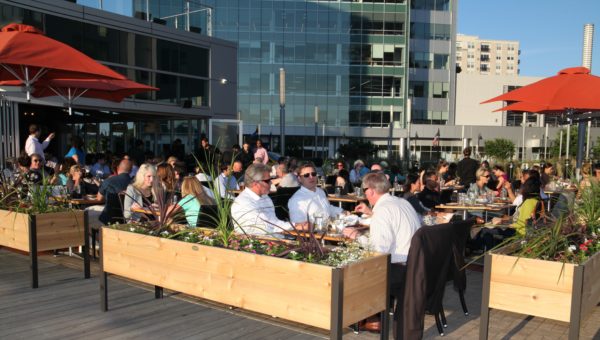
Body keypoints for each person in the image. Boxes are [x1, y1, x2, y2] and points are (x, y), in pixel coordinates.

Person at [344, 172, 421, 264]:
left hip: (398, 266)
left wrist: (357, 236)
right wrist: (371, 213)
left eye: (364, 191)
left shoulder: (382, 210)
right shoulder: (403, 202)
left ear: (370, 191)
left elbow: (378, 250)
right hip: (416, 262)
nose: (365, 195)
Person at [231, 163, 294, 235]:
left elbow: (274, 222)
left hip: (273, 238)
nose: (271, 183)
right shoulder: (243, 203)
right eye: (267, 181)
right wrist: (295, 226)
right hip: (258, 242)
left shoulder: (265, 197)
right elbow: (268, 227)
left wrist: (295, 226)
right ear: (256, 183)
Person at [94, 158, 132, 226]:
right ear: (131, 170)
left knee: (90, 215)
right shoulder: (135, 183)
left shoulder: (109, 181)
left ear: (117, 168)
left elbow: (99, 199)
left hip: (109, 219)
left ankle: (93, 235)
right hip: (128, 219)